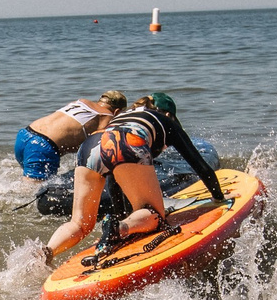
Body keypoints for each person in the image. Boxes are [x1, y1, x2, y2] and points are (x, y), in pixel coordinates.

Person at [45, 92, 228, 256]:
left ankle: (46, 251)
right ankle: (118, 228)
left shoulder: (123, 116)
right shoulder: (166, 121)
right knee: (155, 215)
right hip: (127, 140)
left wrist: (122, 216)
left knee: (79, 224)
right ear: (169, 114)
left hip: (91, 144)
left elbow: (114, 177)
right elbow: (200, 165)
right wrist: (219, 198)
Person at [13, 89, 126, 181]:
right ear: (117, 111)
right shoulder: (107, 117)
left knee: (29, 182)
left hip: (24, 135)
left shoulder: (81, 102)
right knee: (33, 194)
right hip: (43, 146)